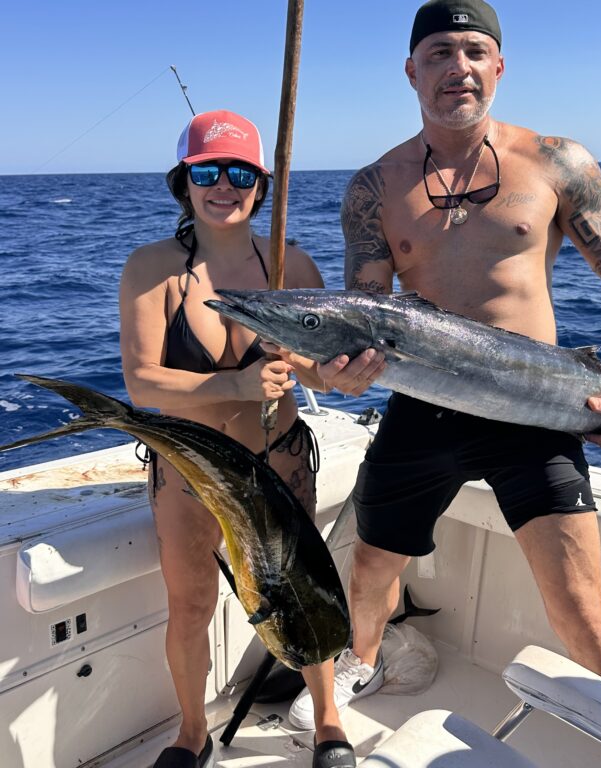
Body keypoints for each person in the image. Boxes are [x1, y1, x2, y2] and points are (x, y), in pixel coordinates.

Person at [288, 3, 601, 767]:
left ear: (499, 66)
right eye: (439, 52)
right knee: (369, 570)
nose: (457, 67)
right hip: (423, 406)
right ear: (411, 71)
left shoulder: (557, 162)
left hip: (531, 409)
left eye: (473, 50)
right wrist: (339, 371)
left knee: (582, 611)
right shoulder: (374, 187)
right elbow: (366, 311)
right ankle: (365, 661)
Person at [120, 109, 383, 768]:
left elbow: (319, 369)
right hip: (189, 467)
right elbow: (142, 383)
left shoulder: (294, 265)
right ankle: (192, 732)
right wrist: (237, 384)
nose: (223, 186)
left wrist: (337, 375)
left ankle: (328, 721)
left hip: (279, 459)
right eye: (207, 171)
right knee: (190, 605)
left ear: (262, 185)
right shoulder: (151, 268)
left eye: (241, 174)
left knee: (304, 596)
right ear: (184, 181)